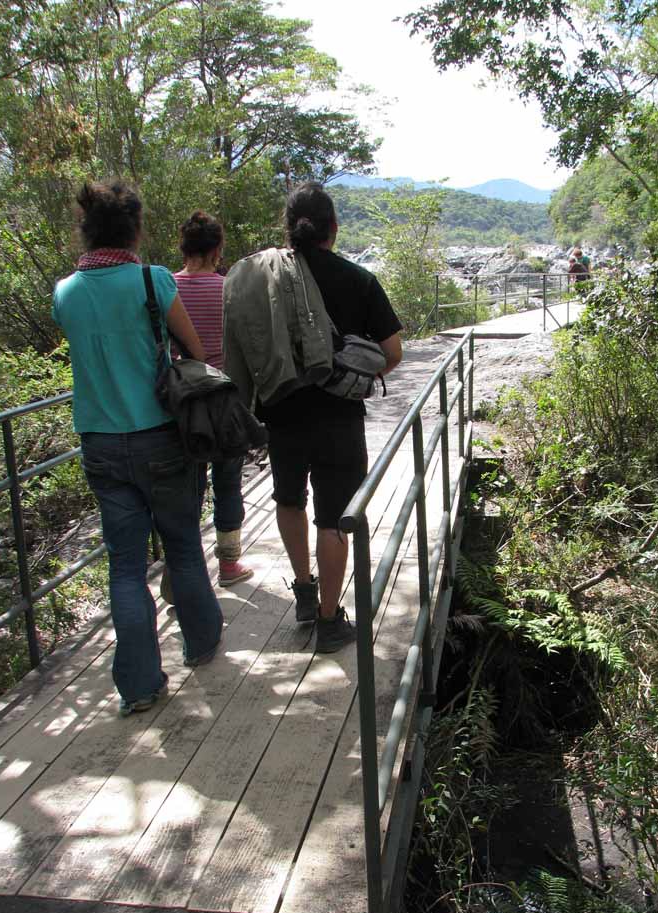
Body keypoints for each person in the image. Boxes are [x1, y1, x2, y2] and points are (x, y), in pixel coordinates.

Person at [52, 180, 223, 716]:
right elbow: (193, 352)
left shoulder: (65, 293)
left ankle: (140, 686)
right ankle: (200, 643)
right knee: (182, 546)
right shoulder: (152, 281)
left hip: (101, 444)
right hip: (160, 437)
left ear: (87, 230)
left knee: (125, 566)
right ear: (136, 230)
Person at [228, 181, 403, 653]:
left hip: (279, 412)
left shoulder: (262, 278)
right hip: (338, 418)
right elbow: (392, 352)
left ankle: (304, 593)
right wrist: (354, 371)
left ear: (288, 230)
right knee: (333, 518)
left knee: (289, 498)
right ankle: (329, 620)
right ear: (334, 228)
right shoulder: (358, 279)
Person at [173, 211, 253, 588]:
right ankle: (229, 566)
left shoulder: (165, 289)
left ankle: (181, 571)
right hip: (225, 402)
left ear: (184, 247)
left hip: (182, 404)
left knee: (186, 488)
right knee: (228, 482)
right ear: (217, 249)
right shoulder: (229, 289)